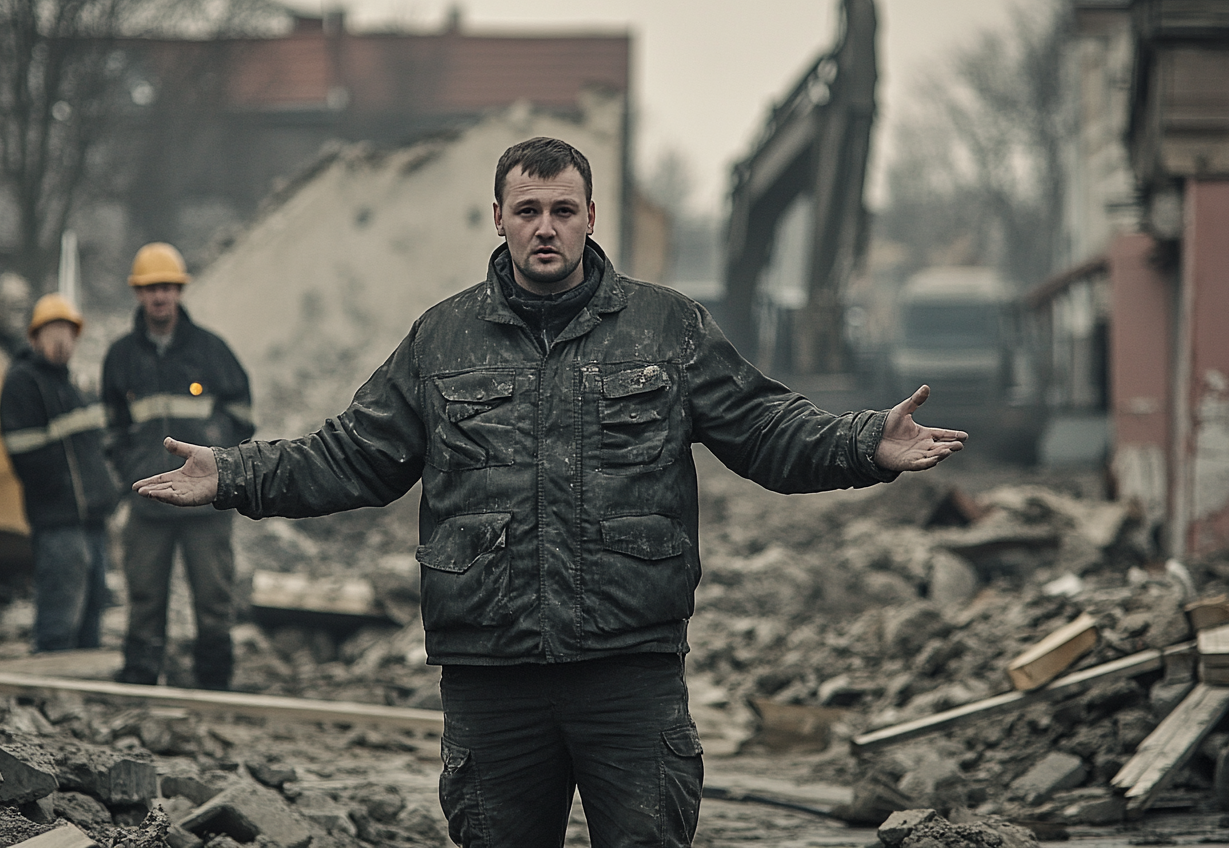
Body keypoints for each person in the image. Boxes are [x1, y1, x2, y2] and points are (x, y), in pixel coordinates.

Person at [133, 138, 967, 847]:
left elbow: (765, 429)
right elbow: (351, 456)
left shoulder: (666, 328)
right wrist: (233, 474)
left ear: (591, 219)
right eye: (527, 210)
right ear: (497, 217)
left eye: (562, 211)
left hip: (629, 676)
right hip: (491, 682)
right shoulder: (441, 339)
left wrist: (865, 443)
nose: (545, 228)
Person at [102, 243, 253, 690]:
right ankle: (141, 678)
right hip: (149, 503)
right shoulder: (120, 358)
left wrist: (217, 465)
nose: (160, 296)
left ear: (179, 291)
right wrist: (134, 469)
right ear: (139, 294)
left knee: (213, 597)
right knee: (145, 596)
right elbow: (110, 429)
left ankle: (214, 682)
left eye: (167, 287)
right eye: (151, 288)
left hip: (207, 507)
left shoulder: (211, 351)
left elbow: (241, 415)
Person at [0, 293, 118, 653]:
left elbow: (97, 448)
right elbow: (24, 453)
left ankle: (81, 701)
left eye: (67, 333)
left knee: (92, 611)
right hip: (58, 523)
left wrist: (106, 492)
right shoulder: (23, 383)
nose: (61, 341)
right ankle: (49, 692)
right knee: (59, 618)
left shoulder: (73, 385)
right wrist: (63, 490)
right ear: (34, 338)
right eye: (52, 333)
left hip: (91, 521)